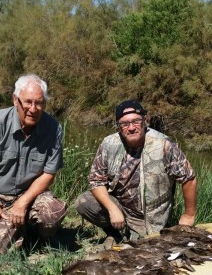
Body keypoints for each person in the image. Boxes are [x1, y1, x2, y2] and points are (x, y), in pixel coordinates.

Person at [0, 74, 67, 254]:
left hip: (30, 194)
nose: (33, 109)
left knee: (54, 213)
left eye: (39, 103)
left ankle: (35, 232)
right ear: (15, 100)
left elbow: (49, 173)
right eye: (28, 102)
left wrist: (22, 203)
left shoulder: (53, 128)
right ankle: (18, 228)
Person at [75, 99, 197, 248]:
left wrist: (189, 215)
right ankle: (114, 233)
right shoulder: (108, 144)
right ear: (119, 126)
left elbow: (188, 178)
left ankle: (135, 233)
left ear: (145, 121)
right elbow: (96, 181)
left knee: (143, 248)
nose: (131, 127)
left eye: (136, 121)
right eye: (125, 124)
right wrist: (112, 209)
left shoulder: (163, 144)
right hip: (120, 206)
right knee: (84, 203)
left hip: (149, 217)